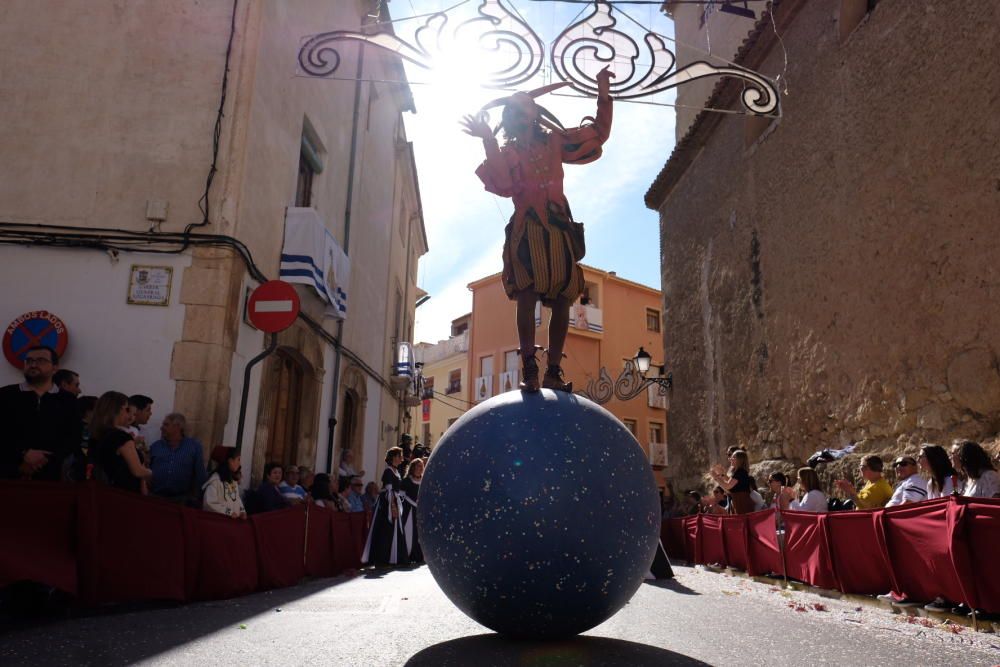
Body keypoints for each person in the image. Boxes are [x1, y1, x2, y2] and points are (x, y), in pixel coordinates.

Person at [462, 66, 615, 392]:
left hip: (558, 227)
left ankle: (553, 371)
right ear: (511, 116)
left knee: (563, 298)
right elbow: (502, 183)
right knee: (527, 294)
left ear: (534, 112)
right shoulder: (510, 152)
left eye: (525, 103)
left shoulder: (555, 141)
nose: (521, 108)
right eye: (515, 106)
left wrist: (603, 93)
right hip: (528, 227)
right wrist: (488, 139)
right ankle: (530, 366)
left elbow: (598, 134)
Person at [0, 345, 80, 480]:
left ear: (55, 367)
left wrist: (44, 460)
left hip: (52, 477)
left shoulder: (68, 400)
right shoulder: (5, 395)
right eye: (29, 361)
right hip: (8, 475)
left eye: (41, 360)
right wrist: (22, 456)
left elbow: (73, 437)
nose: (33, 365)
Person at [91, 391, 152, 493]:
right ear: (117, 410)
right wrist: (151, 473)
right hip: (123, 493)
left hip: (103, 490)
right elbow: (137, 471)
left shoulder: (98, 433)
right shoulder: (120, 437)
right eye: (127, 409)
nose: (130, 414)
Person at [361, 447, 410, 567]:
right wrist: (392, 506)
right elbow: (388, 490)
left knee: (395, 530)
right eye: (399, 456)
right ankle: (382, 559)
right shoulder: (388, 471)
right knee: (385, 531)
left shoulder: (397, 472)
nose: (401, 458)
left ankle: (394, 558)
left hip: (394, 501)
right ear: (393, 457)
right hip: (386, 504)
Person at [149, 413, 207, 504]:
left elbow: (200, 474)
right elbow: (146, 470)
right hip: (155, 498)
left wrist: (196, 498)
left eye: (166, 424)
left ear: (177, 427)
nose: (161, 428)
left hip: (182, 501)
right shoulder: (155, 447)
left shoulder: (194, 447)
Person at [202, 447, 246, 519]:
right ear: (230, 461)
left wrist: (242, 511)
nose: (239, 463)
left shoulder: (233, 481)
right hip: (220, 523)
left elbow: (236, 498)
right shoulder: (215, 480)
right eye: (238, 459)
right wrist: (228, 512)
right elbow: (209, 503)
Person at [709, 449, 755, 514]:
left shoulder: (740, 472)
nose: (730, 459)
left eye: (733, 457)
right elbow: (730, 482)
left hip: (742, 503)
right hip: (738, 502)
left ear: (739, 460)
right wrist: (722, 474)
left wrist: (716, 477)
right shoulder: (738, 472)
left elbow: (728, 486)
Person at [400, 458, 425, 563]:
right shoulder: (406, 481)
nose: (419, 468)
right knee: (408, 533)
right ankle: (406, 556)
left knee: (419, 534)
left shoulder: (424, 481)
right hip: (408, 511)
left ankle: (418, 556)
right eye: (417, 466)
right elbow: (401, 496)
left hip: (420, 512)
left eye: (421, 466)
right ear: (412, 467)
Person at [126, 394, 154, 463]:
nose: (151, 413)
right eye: (148, 410)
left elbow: (146, 454)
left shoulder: (144, 431)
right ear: (137, 411)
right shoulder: (121, 430)